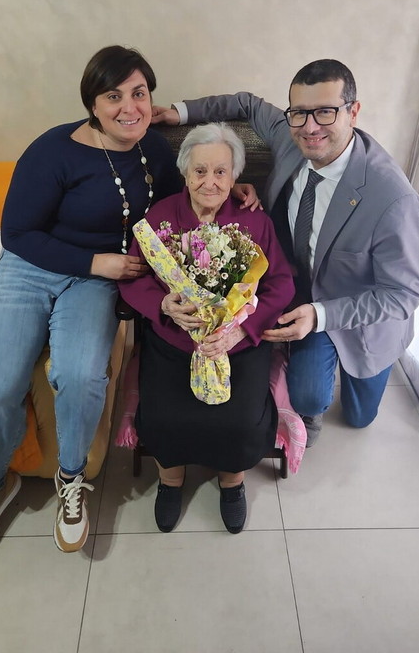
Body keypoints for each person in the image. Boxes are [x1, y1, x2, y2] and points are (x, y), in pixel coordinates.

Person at [0, 45, 258, 564]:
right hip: (32, 270)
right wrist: (98, 262)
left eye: (139, 93)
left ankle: (71, 479)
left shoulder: (154, 150)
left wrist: (231, 189)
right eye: (113, 96)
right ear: (92, 103)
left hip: (95, 283)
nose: (129, 107)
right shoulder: (51, 150)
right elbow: (19, 235)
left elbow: (184, 199)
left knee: (79, 374)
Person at [151, 59, 419, 448]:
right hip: (298, 290)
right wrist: (178, 112)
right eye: (300, 112)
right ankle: (311, 407)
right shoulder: (291, 136)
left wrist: (321, 315)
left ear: (353, 112)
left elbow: (404, 294)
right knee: (309, 396)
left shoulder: (391, 198)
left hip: (356, 310)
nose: (310, 127)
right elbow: (245, 103)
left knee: (359, 416)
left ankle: (358, 377)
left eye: (326, 112)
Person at [119, 123, 294, 534]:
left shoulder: (254, 221)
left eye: (220, 172)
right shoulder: (159, 220)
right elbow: (133, 278)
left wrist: (241, 331)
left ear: (235, 177)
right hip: (174, 340)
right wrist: (163, 304)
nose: (210, 182)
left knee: (240, 420)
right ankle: (170, 481)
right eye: (200, 171)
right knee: (163, 417)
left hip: (237, 345)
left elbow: (281, 284)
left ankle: (232, 483)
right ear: (185, 172)